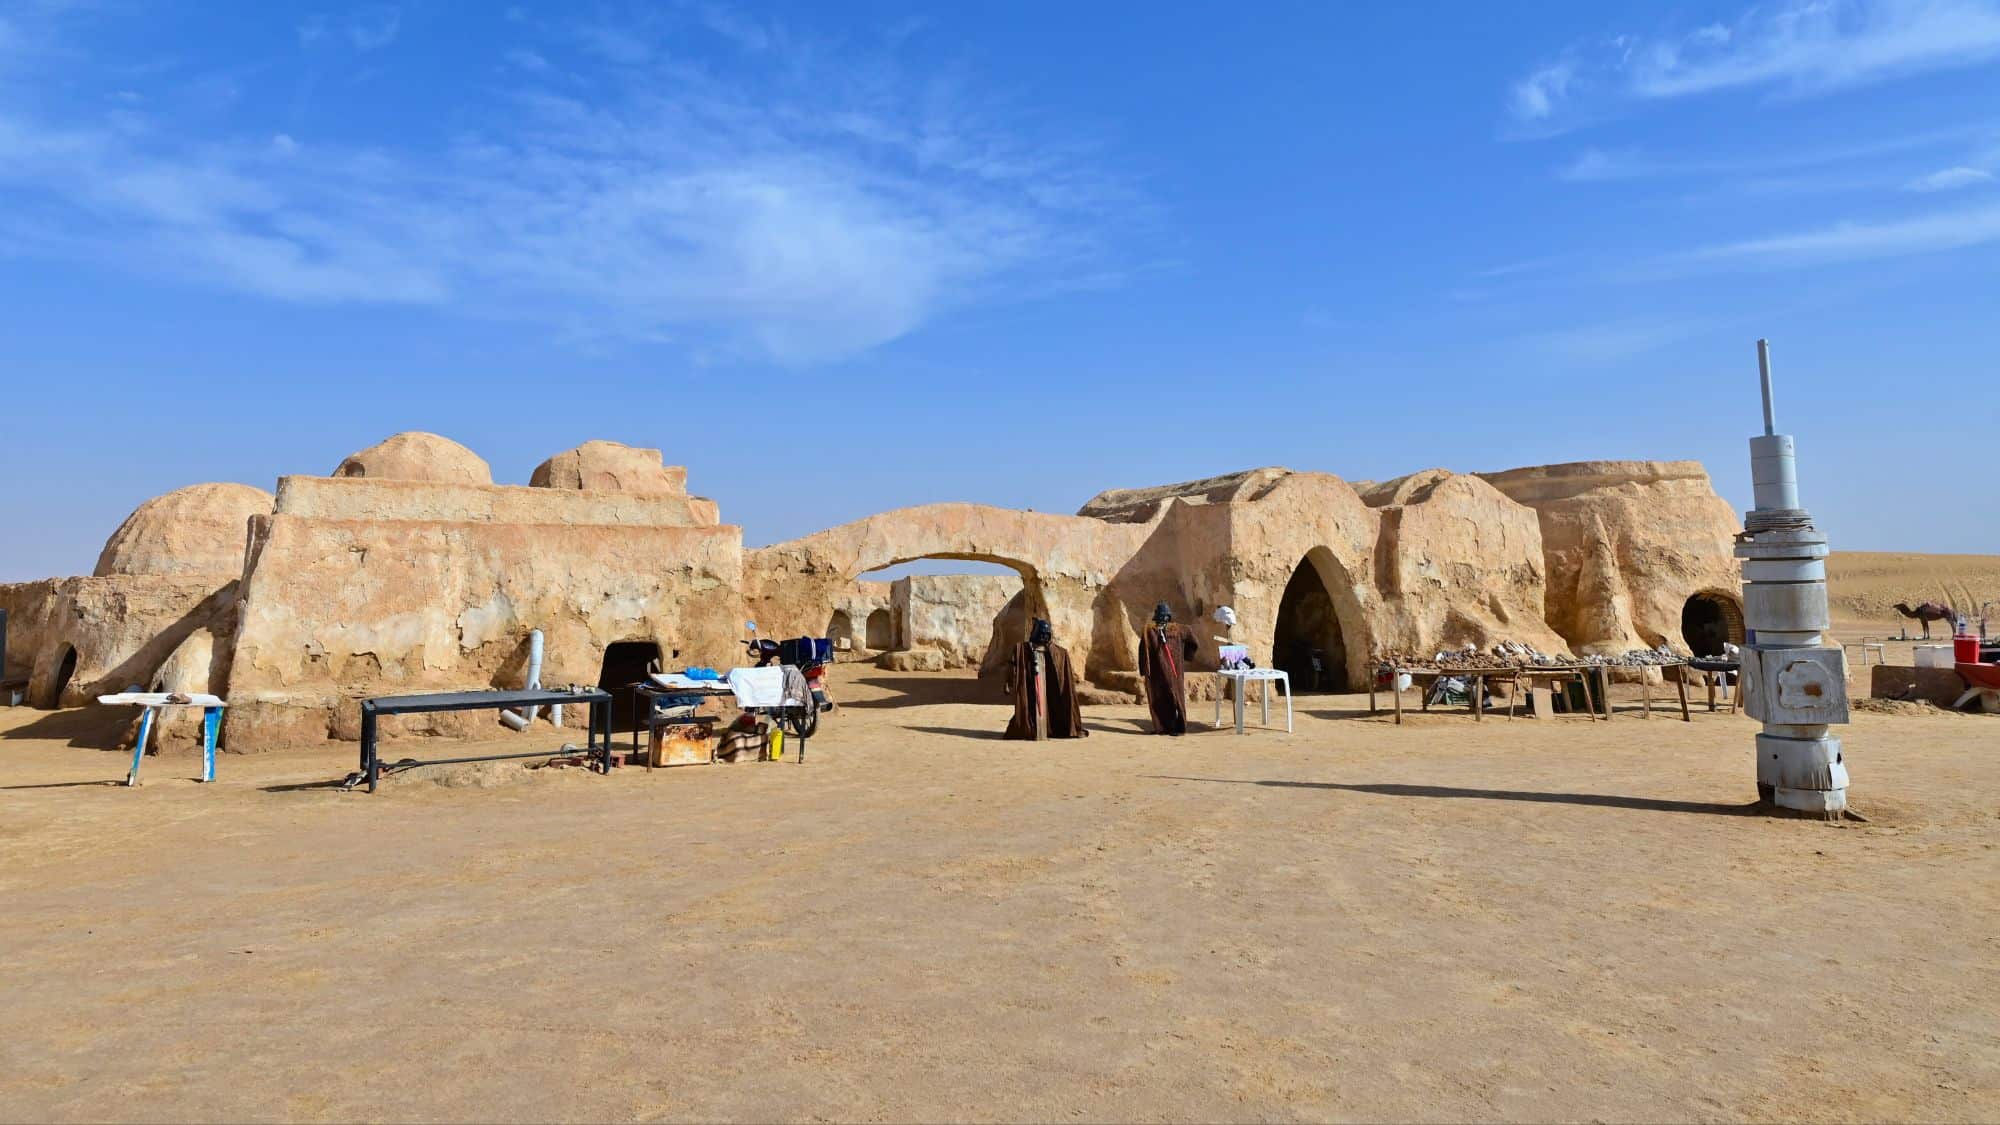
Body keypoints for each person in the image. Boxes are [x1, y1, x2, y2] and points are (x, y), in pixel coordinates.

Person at [1004, 618, 1087, 740]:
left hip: (1047, 688)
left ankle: (1045, 727)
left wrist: (1008, 683)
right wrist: (1008, 682)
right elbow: (1012, 666)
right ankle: (1036, 728)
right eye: (1042, 634)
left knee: (1047, 703)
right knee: (1031, 702)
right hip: (1032, 684)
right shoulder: (1024, 649)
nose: (1043, 638)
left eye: (1045, 635)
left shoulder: (1058, 653)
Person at [1137, 601, 1199, 735]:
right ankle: (1165, 727)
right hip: (1157, 672)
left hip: (1174, 670)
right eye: (1161, 616)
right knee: (1160, 699)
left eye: (1164, 616)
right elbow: (1143, 650)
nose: (1163, 619)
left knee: (1175, 697)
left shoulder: (1179, 630)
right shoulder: (1150, 631)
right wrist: (1144, 669)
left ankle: (1177, 726)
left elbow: (1193, 642)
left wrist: (1186, 656)